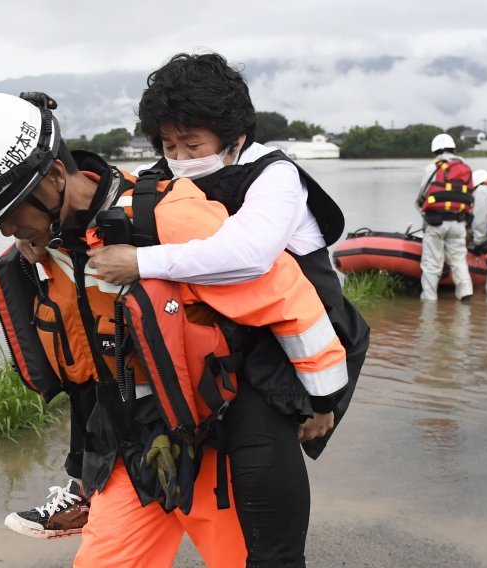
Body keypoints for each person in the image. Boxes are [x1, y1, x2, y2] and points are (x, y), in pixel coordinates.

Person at [0, 91, 350, 567]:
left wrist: (321, 399)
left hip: (213, 436)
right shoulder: (46, 249)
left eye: (9, 217)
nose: (6, 233)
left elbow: (286, 297)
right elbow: (88, 359)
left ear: (53, 179)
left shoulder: (166, 215)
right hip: (132, 446)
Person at [82, 52, 369, 567]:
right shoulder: (164, 175)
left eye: (193, 144)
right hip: (224, 355)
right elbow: (107, 208)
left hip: (290, 355)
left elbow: (248, 257)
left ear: (233, 137)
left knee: (269, 535)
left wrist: (141, 261)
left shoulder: (275, 177)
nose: (180, 157)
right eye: (169, 145)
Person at [415, 133, 474, 301]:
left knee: (432, 263)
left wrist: (423, 212)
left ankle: (429, 301)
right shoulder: (465, 168)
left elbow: (422, 196)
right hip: (458, 222)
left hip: (435, 223)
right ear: (454, 149)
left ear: (435, 151)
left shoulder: (432, 168)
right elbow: (470, 196)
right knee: (459, 260)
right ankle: (466, 294)